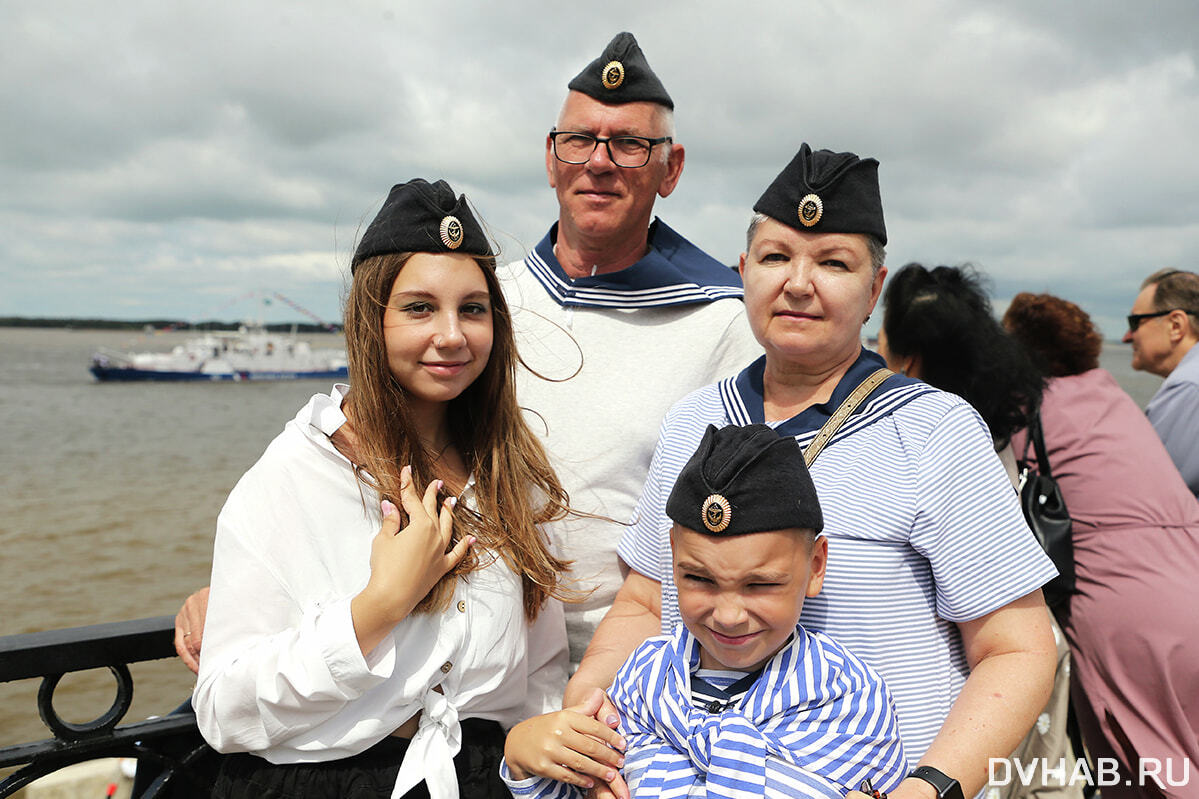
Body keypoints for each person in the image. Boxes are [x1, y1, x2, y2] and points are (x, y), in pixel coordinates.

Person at [172, 30, 761, 675]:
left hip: (635, 675)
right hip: (470, 661)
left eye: (629, 144)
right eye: (580, 140)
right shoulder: (483, 304)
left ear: (670, 169)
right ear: (550, 156)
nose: (599, 161)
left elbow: (750, 519)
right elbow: (367, 451)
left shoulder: (723, 324)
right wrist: (252, 592)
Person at [553, 144, 1058, 799]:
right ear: (743, 272)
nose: (797, 282)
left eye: (832, 262)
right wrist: (589, 708)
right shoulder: (692, 420)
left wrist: (927, 787)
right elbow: (646, 603)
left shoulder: (934, 428)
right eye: (774, 257)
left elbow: (1017, 648)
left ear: (874, 289)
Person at [192, 178, 573, 799]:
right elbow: (224, 712)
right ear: (371, 321)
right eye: (420, 308)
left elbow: (540, 668)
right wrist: (378, 607)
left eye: (472, 309)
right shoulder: (292, 478)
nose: (452, 335)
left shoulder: (508, 474)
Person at [503, 424, 907, 799]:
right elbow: (587, 785)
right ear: (673, 554)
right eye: (700, 579)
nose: (729, 615)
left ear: (815, 566)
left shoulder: (849, 695)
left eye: (761, 585)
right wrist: (523, 756)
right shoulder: (640, 681)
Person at [877, 264, 1081, 799]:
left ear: (909, 358)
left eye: (881, 330)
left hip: (971, 684)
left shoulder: (927, 437)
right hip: (1036, 649)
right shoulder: (992, 423)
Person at [1004, 292, 1199, 799]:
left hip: (1123, 608)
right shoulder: (1110, 394)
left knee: (1140, 772)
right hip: (1189, 581)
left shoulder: (1027, 411)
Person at [1122, 269, 1199, 498]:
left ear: (1176, 325)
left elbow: (1149, 491)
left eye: (1135, 322)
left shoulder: (1189, 388)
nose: (1128, 336)